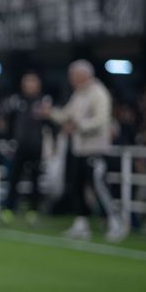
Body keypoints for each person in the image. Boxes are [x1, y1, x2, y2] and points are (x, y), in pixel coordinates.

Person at [42, 60, 118, 241]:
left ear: (83, 75)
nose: (71, 80)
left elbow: (102, 120)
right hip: (79, 149)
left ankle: (115, 221)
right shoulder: (79, 94)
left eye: (73, 76)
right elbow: (66, 115)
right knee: (76, 186)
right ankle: (81, 223)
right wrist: (51, 113)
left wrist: (78, 126)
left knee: (98, 187)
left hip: (95, 149)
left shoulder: (98, 93)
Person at [0, 72, 48, 225]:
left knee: (35, 180)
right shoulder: (16, 101)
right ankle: (8, 209)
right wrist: (8, 140)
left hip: (36, 147)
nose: (30, 85)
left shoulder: (43, 102)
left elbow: (50, 125)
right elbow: (6, 120)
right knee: (13, 179)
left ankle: (33, 210)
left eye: (32, 82)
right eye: (27, 82)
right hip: (19, 147)